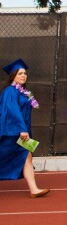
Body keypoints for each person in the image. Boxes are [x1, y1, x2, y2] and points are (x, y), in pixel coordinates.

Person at [0, 59, 49, 198]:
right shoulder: (10, 91)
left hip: (22, 130)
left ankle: (34, 189)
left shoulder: (24, 92)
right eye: (20, 73)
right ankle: (34, 189)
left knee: (27, 157)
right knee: (18, 156)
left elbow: (33, 107)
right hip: (13, 131)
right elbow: (12, 111)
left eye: (25, 73)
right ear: (13, 76)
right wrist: (21, 129)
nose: (23, 75)